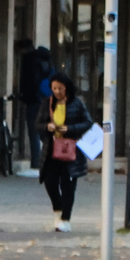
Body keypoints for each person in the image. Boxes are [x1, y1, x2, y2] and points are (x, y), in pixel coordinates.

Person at [38, 74, 92, 232]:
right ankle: (58, 208)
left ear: (67, 88)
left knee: (68, 184)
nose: (57, 92)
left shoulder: (77, 103)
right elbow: (37, 124)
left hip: (71, 150)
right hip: (51, 149)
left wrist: (70, 129)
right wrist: (47, 127)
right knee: (49, 181)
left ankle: (66, 218)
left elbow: (87, 122)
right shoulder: (47, 103)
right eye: (54, 88)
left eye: (60, 89)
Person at [14, 37, 49, 166]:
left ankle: (36, 162)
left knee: (34, 131)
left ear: (23, 49)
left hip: (34, 100)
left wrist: (23, 96)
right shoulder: (43, 58)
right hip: (46, 99)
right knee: (43, 132)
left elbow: (30, 82)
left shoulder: (28, 59)